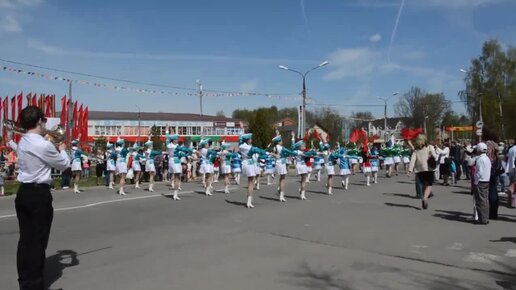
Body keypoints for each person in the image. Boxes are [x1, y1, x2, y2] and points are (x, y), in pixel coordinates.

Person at [14, 106, 70, 290]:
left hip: (24, 192)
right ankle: (35, 285)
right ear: (39, 121)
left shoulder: (24, 141)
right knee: (38, 242)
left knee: (26, 241)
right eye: (44, 120)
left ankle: (26, 282)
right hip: (38, 195)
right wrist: (62, 148)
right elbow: (63, 164)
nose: (45, 124)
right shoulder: (42, 144)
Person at [408, 134, 438, 210]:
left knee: (422, 185)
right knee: (429, 185)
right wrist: (431, 156)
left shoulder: (416, 150)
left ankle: (423, 199)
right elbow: (436, 157)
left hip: (420, 170)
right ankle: (425, 198)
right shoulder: (429, 147)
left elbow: (412, 160)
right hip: (428, 169)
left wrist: (410, 170)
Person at [473, 142, 491, 225]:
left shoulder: (480, 159)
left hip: (481, 181)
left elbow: (479, 172)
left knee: (480, 201)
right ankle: (485, 217)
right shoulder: (487, 158)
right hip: (486, 180)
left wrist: (476, 181)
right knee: (485, 200)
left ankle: (482, 219)